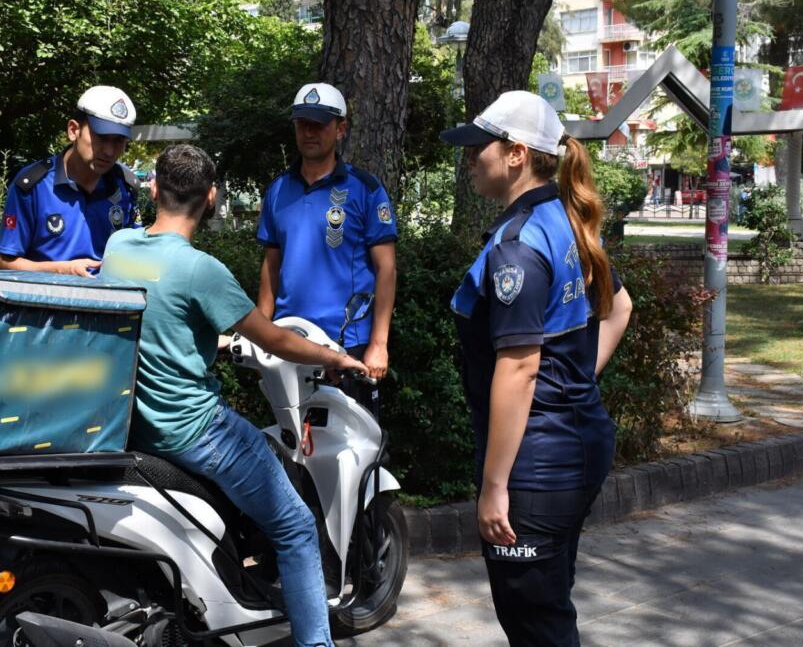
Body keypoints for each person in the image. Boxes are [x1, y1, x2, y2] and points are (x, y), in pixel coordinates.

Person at [100, 144, 366, 647]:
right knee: (295, 526)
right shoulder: (201, 269)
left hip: (133, 425)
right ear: (212, 197)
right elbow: (274, 339)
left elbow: (156, 318)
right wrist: (334, 357)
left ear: (154, 189)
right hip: (194, 431)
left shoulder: (119, 246)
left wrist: (214, 340)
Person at [440, 91, 633, 646]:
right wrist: (575, 383)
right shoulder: (566, 218)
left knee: (536, 624)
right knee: (549, 607)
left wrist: (494, 485)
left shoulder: (518, 245)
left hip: (536, 463)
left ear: (517, 154)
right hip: (576, 443)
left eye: (479, 147)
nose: (470, 158)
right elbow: (620, 308)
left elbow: (521, 368)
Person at [256, 82, 398, 417]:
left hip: (348, 345)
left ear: (340, 129)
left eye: (319, 124)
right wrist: (261, 331)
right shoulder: (277, 191)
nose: (309, 132)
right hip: (288, 340)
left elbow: (387, 269)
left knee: (353, 442)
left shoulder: (365, 189)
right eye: (302, 124)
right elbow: (271, 265)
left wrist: (379, 344)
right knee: (292, 442)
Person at [0, 85, 142, 277]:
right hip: (46, 294)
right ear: (73, 130)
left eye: (118, 141)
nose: (109, 151)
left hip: (107, 295)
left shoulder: (126, 186)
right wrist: (62, 270)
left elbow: (134, 255)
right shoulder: (33, 186)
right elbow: (5, 263)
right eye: (101, 138)